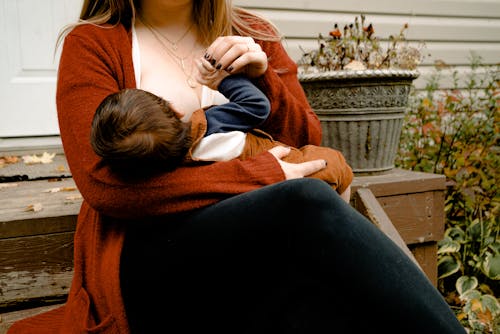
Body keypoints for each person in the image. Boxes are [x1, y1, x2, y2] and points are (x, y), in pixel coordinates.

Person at [8, 1, 466, 333]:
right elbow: (104, 185)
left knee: (315, 304)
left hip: (252, 248)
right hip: (149, 253)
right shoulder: (93, 44)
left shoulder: (254, 33)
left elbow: (305, 142)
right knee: (302, 200)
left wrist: (262, 75)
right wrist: (262, 175)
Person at [90, 71, 353, 199]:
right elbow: (257, 106)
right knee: (339, 167)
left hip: (268, 196)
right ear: (173, 108)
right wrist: (223, 80)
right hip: (299, 166)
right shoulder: (209, 124)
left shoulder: (173, 169)